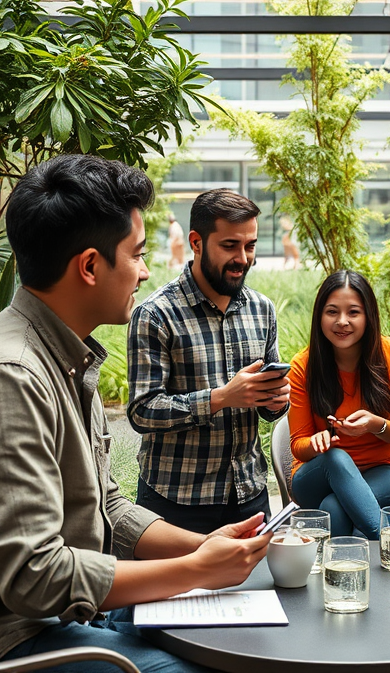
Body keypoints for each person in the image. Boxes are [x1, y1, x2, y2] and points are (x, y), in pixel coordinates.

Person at [0, 155, 272, 673]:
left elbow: (106, 506)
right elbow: (36, 577)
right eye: (136, 255)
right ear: (90, 266)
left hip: (47, 619)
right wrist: (192, 570)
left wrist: (203, 546)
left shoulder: (65, 356)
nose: (144, 271)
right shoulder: (7, 378)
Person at [128, 189, 290, 534]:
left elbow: (266, 405)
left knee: (260, 590)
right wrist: (221, 398)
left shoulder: (262, 309)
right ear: (196, 242)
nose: (243, 258)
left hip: (249, 494)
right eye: (230, 246)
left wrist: (276, 401)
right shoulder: (155, 314)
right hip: (176, 501)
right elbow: (142, 411)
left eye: (250, 245)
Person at [288, 270, 390, 538]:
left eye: (353, 312)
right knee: (336, 457)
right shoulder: (303, 366)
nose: (342, 322)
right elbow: (298, 446)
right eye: (332, 312)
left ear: (368, 315)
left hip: (384, 470)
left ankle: (345, 572)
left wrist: (376, 425)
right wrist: (317, 443)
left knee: (333, 508)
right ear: (319, 316)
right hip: (317, 476)